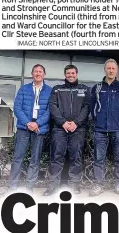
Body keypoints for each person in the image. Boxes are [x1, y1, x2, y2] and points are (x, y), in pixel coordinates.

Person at [0, 64, 52, 197]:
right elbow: (17, 108)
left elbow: (50, 111)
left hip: (39, 129)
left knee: (35, 159)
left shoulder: (49, 91)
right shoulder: (24, 89)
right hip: (24, 128)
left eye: (40, 72)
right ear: (32, 74)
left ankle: (29, 187)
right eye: (36, 71)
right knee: (18, 158)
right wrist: (28, 123)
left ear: (44, 74)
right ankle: (12, 187)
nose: (38, 74)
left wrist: (37, 123)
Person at [43, 64, 90, 196]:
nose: (70, 75)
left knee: (76, 157)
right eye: (68, 73)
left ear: (76, 74)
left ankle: (74, 185)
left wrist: (76, 123)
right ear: (65, 75)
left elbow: (86, 108)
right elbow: (52, 106)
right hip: (59, 129)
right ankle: (52, 185)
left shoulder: (84, 89)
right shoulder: (57, 89)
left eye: (73, 73)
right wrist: (63, 122)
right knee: (56, 156)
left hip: (78, 129)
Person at [89, 59, 119, 196]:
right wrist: (97, 120)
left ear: (116, 71)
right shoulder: (97, 88)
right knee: (99, 159)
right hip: (100, 130)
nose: (111, 70)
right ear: (105, 70)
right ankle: (98, 185)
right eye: (108, 68)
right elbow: (92, 107)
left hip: (118, 129)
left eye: (113, 68)